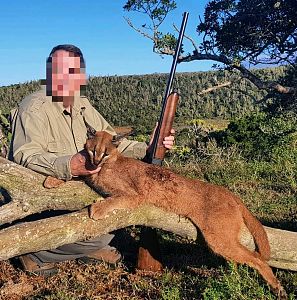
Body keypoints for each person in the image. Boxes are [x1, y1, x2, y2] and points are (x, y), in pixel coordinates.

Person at [9, 44, 175, 276]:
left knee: (117, 219)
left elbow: (112, 142)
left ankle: (85, 246)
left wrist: (147, 148)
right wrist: (68, 166)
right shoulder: (34, 108)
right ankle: (34, 252)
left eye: (71, 71)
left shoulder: (82, 104)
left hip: (80, 194)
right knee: (108, 225)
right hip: (45, 200)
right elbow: (24, 157)